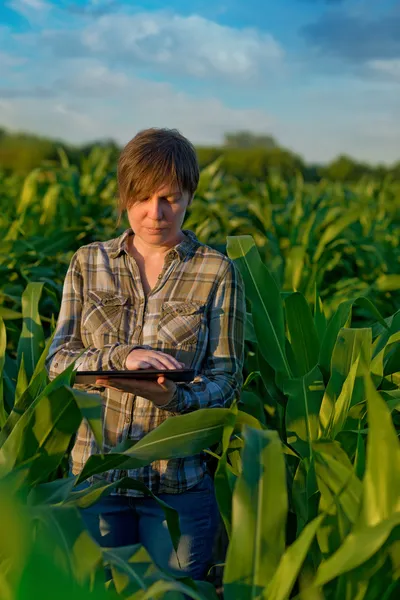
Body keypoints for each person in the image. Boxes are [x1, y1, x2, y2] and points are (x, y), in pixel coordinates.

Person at [45, 127, 246, 581]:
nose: (155, 213)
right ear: (124, 197)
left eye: (170, 198)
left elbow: (227, 378)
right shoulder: (88, 262)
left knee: (173, 593)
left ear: (190, 196)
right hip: (96, 479)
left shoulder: (216, 270)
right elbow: (57, 361)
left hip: (177, 484)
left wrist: (173, 399)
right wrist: (122, 355)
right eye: (142, 198)